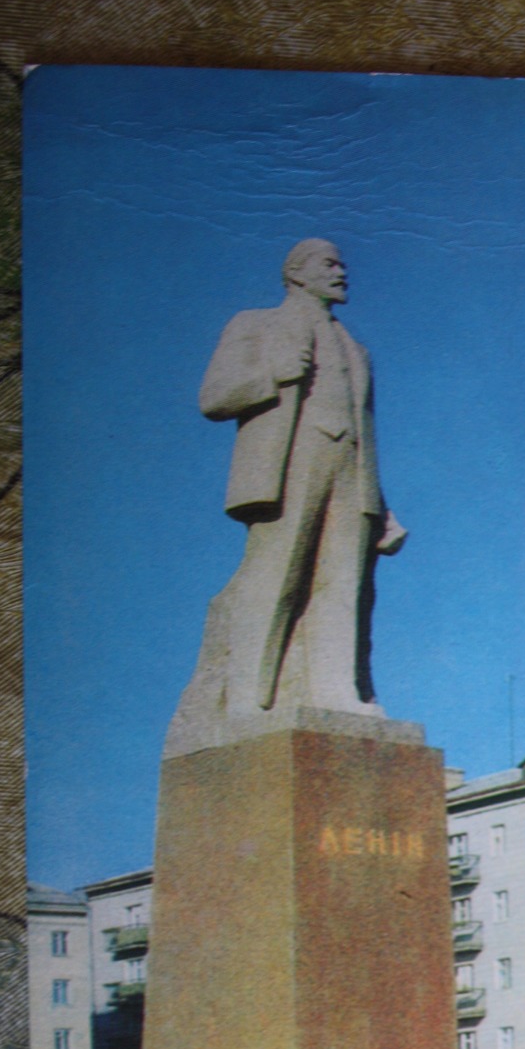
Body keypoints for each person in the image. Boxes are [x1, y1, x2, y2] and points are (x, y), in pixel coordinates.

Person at [195, 237, 406, 720]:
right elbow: (214, 397)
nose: (341, 273)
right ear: (296, 273)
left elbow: (363, 430)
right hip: (290, 462)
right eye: (329, 264)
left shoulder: (356, 349)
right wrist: (271, 375)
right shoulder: (256, 324)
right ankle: (249, 697)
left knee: (342, 583)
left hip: (350, 472)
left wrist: (382, 505)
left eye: (342, 264)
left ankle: (336, 691)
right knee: (277, 575)